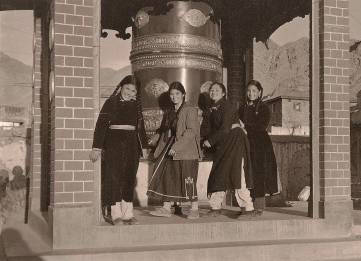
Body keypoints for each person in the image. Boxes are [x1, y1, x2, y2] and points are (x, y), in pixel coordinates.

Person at [89, 75, 146, 225]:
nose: (129, 92)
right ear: (121, 87)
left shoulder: (136, 105)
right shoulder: (111, 102)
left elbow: (141, 128)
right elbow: (101, 125)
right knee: (114, 178)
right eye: (127, 88)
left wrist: (144, 147)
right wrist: (97, 147)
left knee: (129, 178)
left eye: (133, 91)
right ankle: (115, 214)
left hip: (132, 145)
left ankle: (128, 215)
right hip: (114, 144)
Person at [147, 82, 202, 219]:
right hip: (170, 148)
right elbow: (164, 129)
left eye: (177, 93)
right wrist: (155, 138)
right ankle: (166, 208)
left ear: (183, 94)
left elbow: (191, 131)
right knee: (168, 177)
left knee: (188, 178)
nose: (174, 97)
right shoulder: (170, 111)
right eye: (171, 94)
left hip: (186, 150)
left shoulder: (190, 109)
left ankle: (194, 209)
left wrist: (176, 147)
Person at [201, 82, 255, 218]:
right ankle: (215, 207)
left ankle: (248, 208)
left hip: (235, 143)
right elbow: (205, 129)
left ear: (224, 93)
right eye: (211, 90)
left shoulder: (227, 106)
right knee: (219, 173)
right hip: (223, 145)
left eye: (217, 90)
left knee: (237, 174)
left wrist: (210, 141)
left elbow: (225, 128)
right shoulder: (211, 109)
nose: (213, 92)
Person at [239, 80, 278, 215]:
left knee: (258, 173)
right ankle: (246, 204)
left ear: (259, 92)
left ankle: (259, 206)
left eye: (254, 91)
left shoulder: (263, 108)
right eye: (249, 91)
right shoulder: (242, 107)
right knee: (246, 173)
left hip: (260, 145)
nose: (251, 94)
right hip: (245, 143)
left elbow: (261, 126)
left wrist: (245, 127)